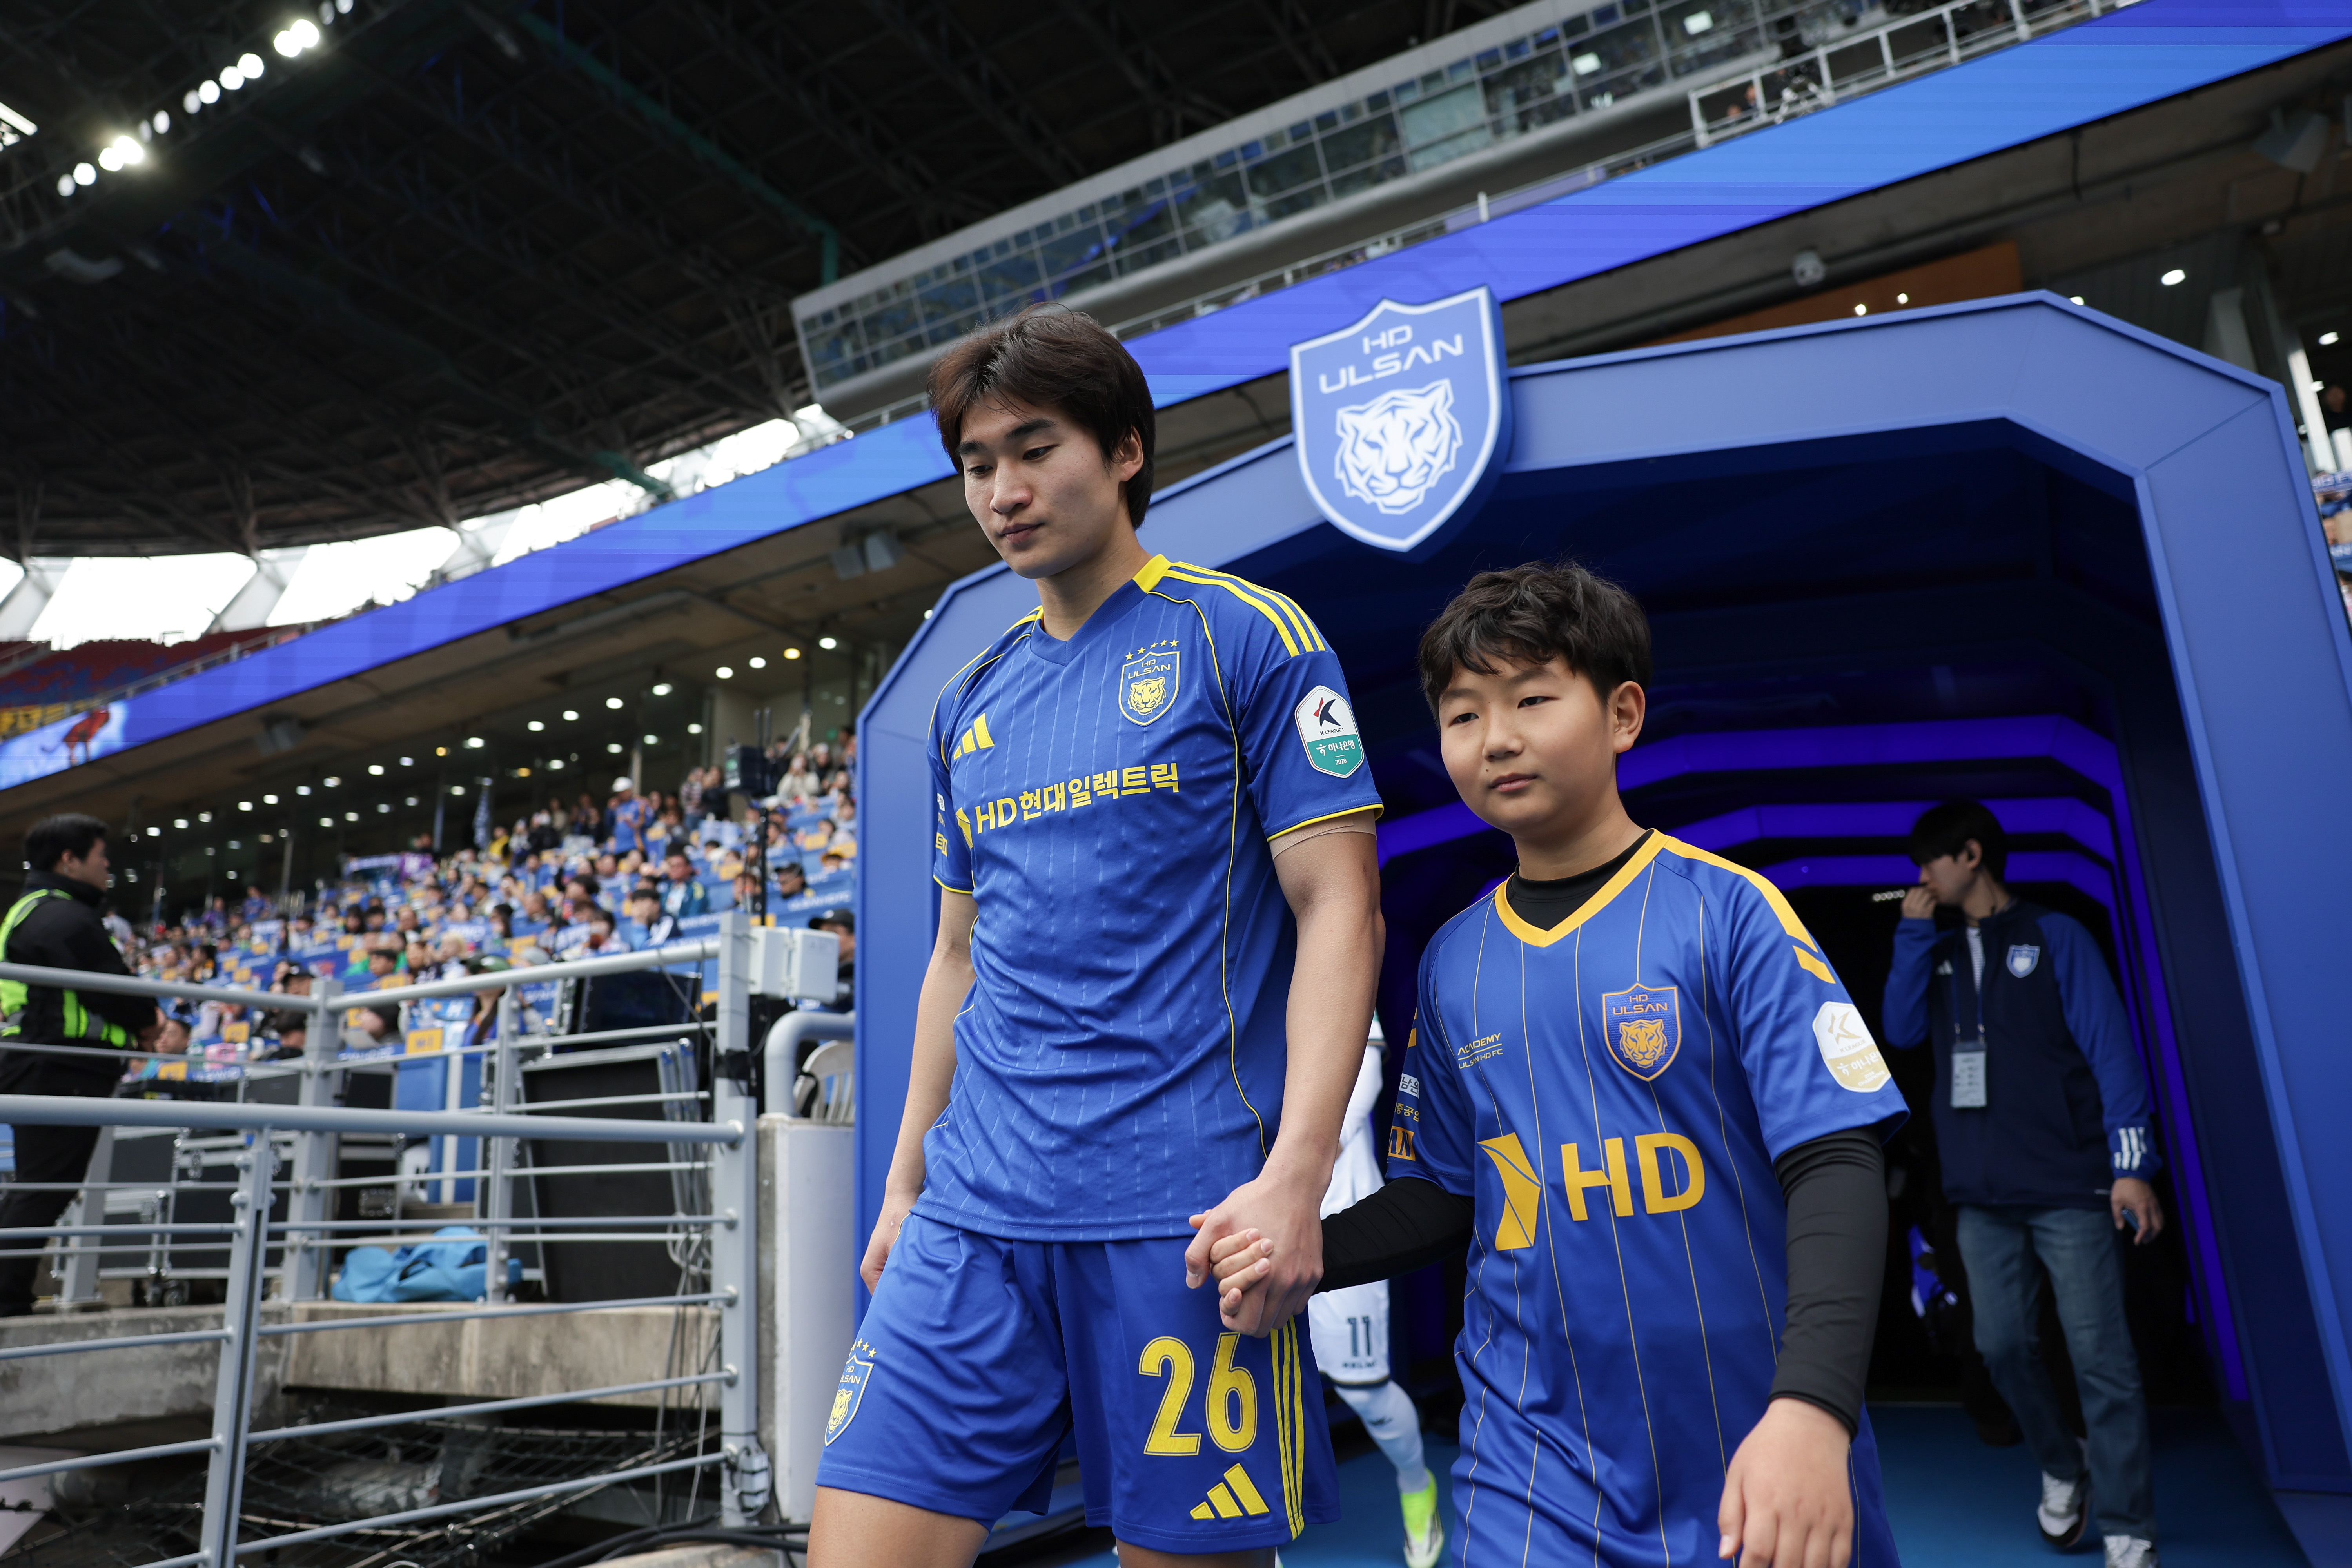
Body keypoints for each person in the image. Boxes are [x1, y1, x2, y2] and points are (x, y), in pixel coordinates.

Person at [808, 304, 1384, 1568]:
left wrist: (1296, 1178)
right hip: (974, 1213)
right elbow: (956, 959)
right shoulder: (967, 701)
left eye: (1034, 449)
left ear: (1125, 450)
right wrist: (905, 1185)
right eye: (977, 466)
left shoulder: (1250, 637)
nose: (1002, 492)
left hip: (1181, 1220)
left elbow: (1338, 903)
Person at [1209, 562, 1907, 1568]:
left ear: (1623, 713)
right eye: (1463, 714)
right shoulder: (1452, 960)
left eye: (1532, 699)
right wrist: (1300, 1250)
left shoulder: (1730, 911)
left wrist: (1814, 1405)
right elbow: (1446, 1193)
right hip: (1530, 1463)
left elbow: (1836, 1161)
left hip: (1753, 1442)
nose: (1495, 738)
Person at [1884, 801, 2162, 1568]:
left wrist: (2131, 1165)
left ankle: (2130, 1523)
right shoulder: (1936, 951)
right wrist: (1912, 934)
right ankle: (2064, 1463)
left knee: (2101, 1357)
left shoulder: (2056, 935)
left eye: (1930, 861)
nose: (1920, 877)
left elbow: (2111, 1051)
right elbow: (1901, 1029)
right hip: (1981, 1194)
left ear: (1971, 855)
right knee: (2001, 1347)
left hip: (2070, 1185)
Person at [0, 814, 167, 1316]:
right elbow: (108, 983)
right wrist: (147, 1020)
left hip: (46, 1061)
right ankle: (6, 1297)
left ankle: (9, 1292)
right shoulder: (61, 915)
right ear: (69, 860)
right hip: (60, 1064)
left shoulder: (36, 909)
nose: (108, 866)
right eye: (101, 856)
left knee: (39, 1183)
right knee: (46, 1186)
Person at [1303, 1019, 1442, 1568]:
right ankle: (1254, 1543)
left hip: (1337, 1218)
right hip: (1247, 1221)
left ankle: (1416, 1484)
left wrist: (1293, 1168)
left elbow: (1362, 1076)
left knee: (1364, 1392)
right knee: (1251, 1390)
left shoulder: (1320, 966)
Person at [807, 907, 853, 1011]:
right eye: (822, 935)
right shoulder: (810, 975)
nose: (825, 941)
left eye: (833, 933)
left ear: (854, 939)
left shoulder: (866, 977)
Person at [659, 849, 708, 921]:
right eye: (672, 866)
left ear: (689, 868)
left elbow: (695, 913)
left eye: (678, 866)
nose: (674, 869)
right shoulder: (665, 890)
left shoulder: (697, 888)